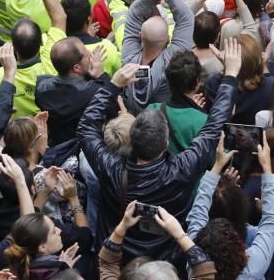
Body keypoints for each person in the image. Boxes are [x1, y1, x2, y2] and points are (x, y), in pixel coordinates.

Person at [77, 40, 240, 261]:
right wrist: (230, 75)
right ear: (165, 144)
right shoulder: (181, 169)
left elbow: (87, 126)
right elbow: (214, 126)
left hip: (120, 258)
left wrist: (113, 84)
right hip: (166, 259)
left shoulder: (111, 168)